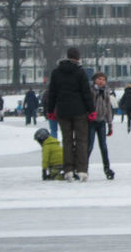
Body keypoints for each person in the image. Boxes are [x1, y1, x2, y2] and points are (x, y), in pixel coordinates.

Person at [46, 46, 95, 182]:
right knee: (81, 141)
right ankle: (82, 170)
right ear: (78, 58)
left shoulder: (56, 73)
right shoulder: (80, 73)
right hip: (79, 111)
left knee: (67, 141)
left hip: (63, 111)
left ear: (67, 56)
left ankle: (68, 170)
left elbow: (52, 93)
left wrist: (50, 111)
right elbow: (86, 93)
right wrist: (91, 111)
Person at [87, 72, 115, 180]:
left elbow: (108, 107)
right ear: (94, 80)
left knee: (103, 146)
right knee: (89, 146)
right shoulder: (91, 90)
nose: (101, 81)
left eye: (103, 79)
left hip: (101, 121)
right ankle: (83, 168)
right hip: (91, 121)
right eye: (99, 79)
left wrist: (110, 123)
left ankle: (107, 168)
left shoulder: (106, 91)